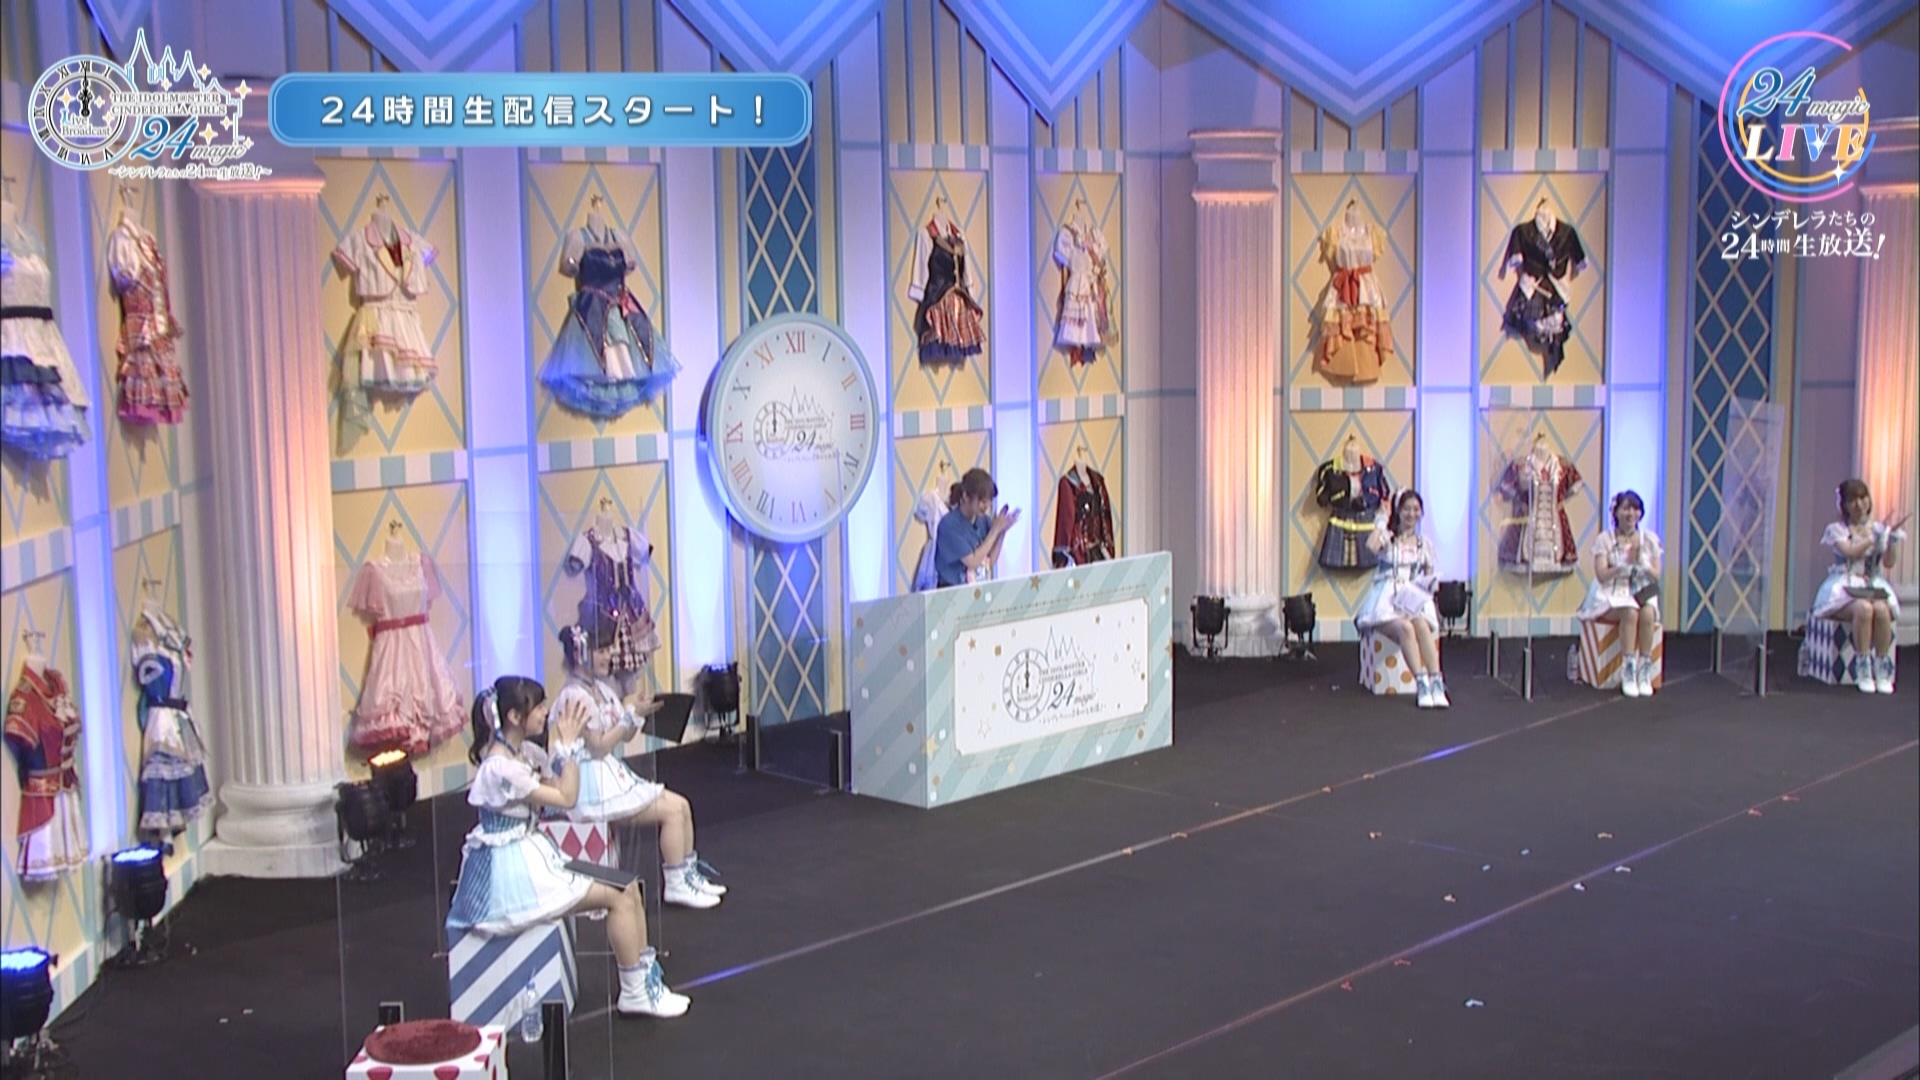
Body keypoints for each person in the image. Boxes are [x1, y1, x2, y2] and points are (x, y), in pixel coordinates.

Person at [446, 676, 689, 1018]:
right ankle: (634, 992)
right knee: (619, 896)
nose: (546, 712)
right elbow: (567, 796)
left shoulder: (522, 753)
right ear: (515, 716)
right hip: (510, 873)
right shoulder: (500, 768)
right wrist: (569, 746)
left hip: (531, 851)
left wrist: (562, 749)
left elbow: (557, 790)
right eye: (539, 706)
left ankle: (641, 983)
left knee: (628, 887)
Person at [552, 624, 727, 908]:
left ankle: (687, 875)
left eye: (609, 649)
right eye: (602, 650)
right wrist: (627, 718)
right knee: (671, 811)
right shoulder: (574, 696)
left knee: (681, 805)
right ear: (581, 655)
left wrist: (637, 714)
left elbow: (625, 735)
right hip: (589, 782)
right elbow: (598, 746)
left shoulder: (601, 689)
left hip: (609, 772)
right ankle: (675, 883)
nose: (610, 655)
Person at [1811, 479, 1907, 693]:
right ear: (1844, 505)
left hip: (1872, 584)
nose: (1859, 504)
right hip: (1845, 586)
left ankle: (1882, 669)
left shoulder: (1878, 528)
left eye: (1863, 498)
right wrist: (1873, 537)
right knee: (1864, 608)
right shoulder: (1836, 529)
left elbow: (1889, 563)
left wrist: (1890, 540)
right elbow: (1851, 552)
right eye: (1852, 500)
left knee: (1881, 609)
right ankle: (1862, 668)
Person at [1356, 489, 1449, 708]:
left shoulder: (1424, 544)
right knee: (1406, 628)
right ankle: (1421, 683)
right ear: (1398, 511)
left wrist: (1428, 587)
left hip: (1412, 599)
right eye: (1406, 509)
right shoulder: (1389, 539)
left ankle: (1436, 682)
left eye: (1416, 509)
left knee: (1421, 625)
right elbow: (1371, 546)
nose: (1411, 514)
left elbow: (1428, 576)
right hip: (1386, 600)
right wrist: (1382, 521)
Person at [1576, 491, 1664, 697]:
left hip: (1640, 590)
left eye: (1635, 509)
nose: (1630, 513)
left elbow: (1655, 575)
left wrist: (1643, 565)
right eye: (1625, 508)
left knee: (1648, 612)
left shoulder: (1649, 540)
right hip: (1612, 593)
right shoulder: (1605, 539)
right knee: (1630, 612)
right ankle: (1628, 668)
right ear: (1616, 512)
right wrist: (1620, 568)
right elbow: (1601, 575)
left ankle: (1644, 668)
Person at [934, 467, 1018, 588]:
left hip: (976, 589)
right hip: (951, 591)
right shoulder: (949, 525)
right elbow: (972, 562)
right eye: (983, 501)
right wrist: (995, 530)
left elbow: (989, 562)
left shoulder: (984, 521)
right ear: (966, 496)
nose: (987, 506)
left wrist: (1002, 531)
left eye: (989, 501)